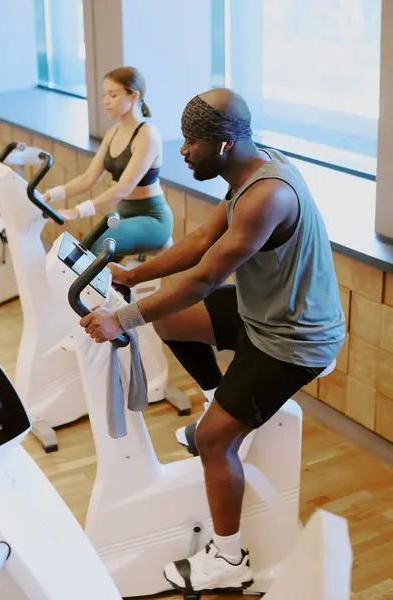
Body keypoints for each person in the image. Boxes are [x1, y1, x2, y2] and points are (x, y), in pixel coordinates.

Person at [78, 88, 346, 593]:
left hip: (296, 339)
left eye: (190, 142)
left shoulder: (268, 194)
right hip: (264, 313)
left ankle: (229, 559)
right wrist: (132, 278)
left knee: (212, 440)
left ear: (222, 146)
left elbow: (203, 278)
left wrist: (123, 319)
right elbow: (202, 241)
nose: (181, 150)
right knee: (172, 322)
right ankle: (215, 404)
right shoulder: (248, 170)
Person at [44, 66, 173, 261]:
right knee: (93, 260)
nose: (105, 101)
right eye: (105, 94)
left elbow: (122, 189)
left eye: (112, 95)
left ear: (134, 96)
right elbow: (88, 178)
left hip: (152, 219)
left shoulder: (147, 135)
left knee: (97, 244)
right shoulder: (113, 132)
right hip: (124, 215)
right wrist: (49, 195)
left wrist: (77, 211)